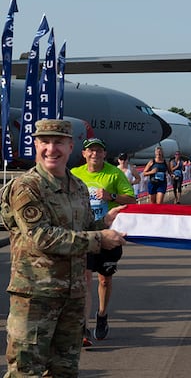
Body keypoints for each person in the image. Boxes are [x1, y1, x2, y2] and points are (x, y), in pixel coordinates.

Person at [2, 120, 127, 377]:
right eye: (45, 142)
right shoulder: (26, 187)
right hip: (36, 297)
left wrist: (104, 222)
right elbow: (42, 237)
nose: (51, 149)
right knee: (26, 371)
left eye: (58, 142)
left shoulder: (78, 186)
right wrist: (99, 238)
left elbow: (80, 227)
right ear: (35, 145)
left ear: (71, 147)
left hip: (72, 296)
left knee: (65, 369)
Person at [71, 137, 136, 344]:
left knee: (104, 279)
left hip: (108, 234)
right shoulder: (74, 174)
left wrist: (111, 195)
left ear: (104, 154)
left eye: (99, 151)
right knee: (86, 278)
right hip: (86, 234)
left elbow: (131, 200)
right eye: (91, 151)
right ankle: (84, 328)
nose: (95, 154)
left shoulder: (114, 173)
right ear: (84, 154)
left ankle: (102, 315)